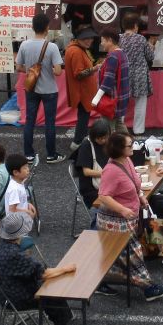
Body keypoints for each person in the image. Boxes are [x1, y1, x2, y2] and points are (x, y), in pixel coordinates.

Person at [95, 132, 163, 301]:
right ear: (119, 149)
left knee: (118, 254)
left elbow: (134, 183)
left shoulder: (126, 160)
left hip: (127, 216)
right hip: (115, 220)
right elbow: (103, 196)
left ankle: (102, 280)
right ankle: (148, 287)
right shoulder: (111, 170)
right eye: (130, 145)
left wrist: (140, 196)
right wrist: (122, 209)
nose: (133, 147)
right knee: (132, 253)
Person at [0, 212, 83, 325]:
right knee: (54, 295)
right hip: (19, 297)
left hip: (8, 291)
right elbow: (43, 273)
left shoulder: (1, 247)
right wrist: (65, 269)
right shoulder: (14, 255)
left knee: (52, 289)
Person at [16, 13, 64, 164]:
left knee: (30, 120)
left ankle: (28, 155)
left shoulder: (24, 45)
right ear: (47, 28)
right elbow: (58, 71)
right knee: (50, 122)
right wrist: (48, 70)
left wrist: (31, 71)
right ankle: (51, 155)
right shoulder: (52, 47)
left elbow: (19, 67)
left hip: (31, 88)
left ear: (32, 27)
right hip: (49, 90)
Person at [64, 26, 100, 153]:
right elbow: (78, 74)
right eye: (86, 38)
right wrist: (94, 69)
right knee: (83, 118)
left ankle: (81, 141)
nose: (90, 40)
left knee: (83, 117)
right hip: (82, 92)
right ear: (79, 38)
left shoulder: (76, 49)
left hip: (82, 91)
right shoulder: (76, 51)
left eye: (90, 38)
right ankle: (78, 142)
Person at [120, 13, 155, 135]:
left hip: (123, 74)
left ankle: (119, 128)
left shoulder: (119, 39)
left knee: (121, 102)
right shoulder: (141, 39)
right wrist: (151, 46)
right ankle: (138, 130)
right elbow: (150, 57)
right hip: (139, 74)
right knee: (140, 103)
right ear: (135, 26)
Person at [74, 119, 111, 213]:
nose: (103, 140)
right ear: (93, 136)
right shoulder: (86, 145)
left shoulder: (108, 142)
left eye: (105, 137)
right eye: (100, 138)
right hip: (91, 188)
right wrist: (107, 174)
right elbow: (86, 172)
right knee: (118, 201)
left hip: (107, 183)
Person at [96, 27, 130, 130]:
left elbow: (108, 80)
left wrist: (97, 97)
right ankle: (127, 141)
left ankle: (113, 141)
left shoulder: (112, 56)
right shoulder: (122, 53)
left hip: (112, 99)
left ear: (110, 40)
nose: (101, 43)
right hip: (121, 97)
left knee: (107, 129)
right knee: (119, 125)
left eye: (103, 40)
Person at [3, 153, 35, 218]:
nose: (28, 169)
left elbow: (19, 202)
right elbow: (12, 210)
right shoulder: (14, 189)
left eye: (27, 166)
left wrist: (27, 204)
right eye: (25, 168)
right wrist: (27, 212)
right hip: (16, 222)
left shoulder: (19, 183)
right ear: (16, 172)